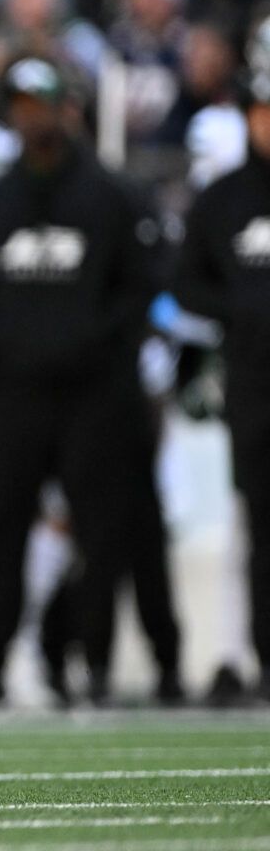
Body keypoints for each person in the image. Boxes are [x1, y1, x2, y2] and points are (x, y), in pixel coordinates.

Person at [0, 57, 166, 709]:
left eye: (41, 102)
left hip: (95, 390)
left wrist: (93, 344)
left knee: (100, 534)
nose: (31, 115)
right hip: (16, 391)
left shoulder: (112, 197)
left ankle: (92, 664)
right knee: (3, 529)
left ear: (68, 108)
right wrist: (6, 343)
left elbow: (143, 287)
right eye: (19, 103)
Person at [175, 52, 270, 704]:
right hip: (254, 382)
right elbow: (184, 283)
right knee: (255, 522)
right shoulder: (222, 199)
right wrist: (241, 309)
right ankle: (253, 655)